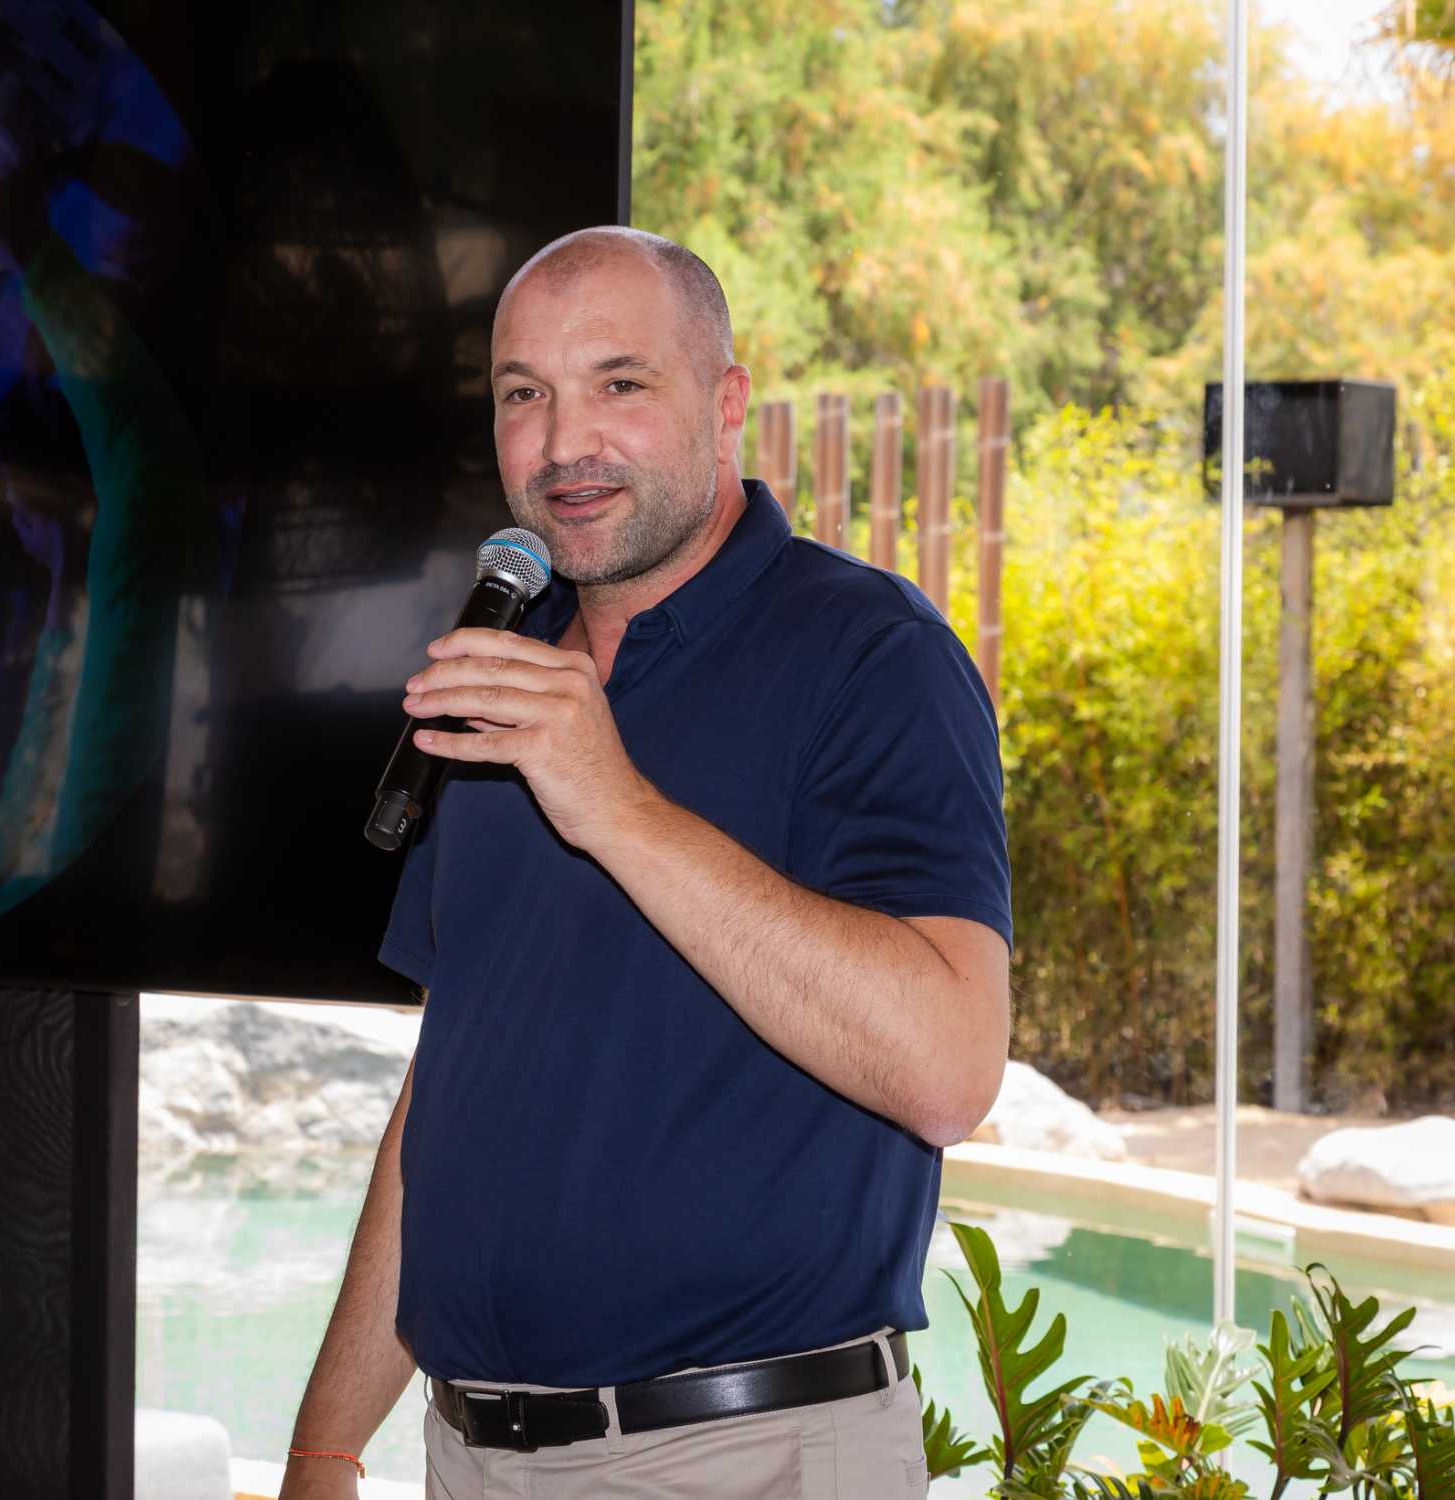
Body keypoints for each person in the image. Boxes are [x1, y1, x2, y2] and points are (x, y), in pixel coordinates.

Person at [278, 227, 1012, 1499]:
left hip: (748, 1456)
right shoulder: (507, 673)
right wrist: (325, 1443)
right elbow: (453, 1090)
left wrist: (614, 804)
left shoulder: (868, 654)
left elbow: (947, 1069)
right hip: (468, 1457)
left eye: (618, 383)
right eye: (523, 394)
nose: (564, 442)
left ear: (725, 404)